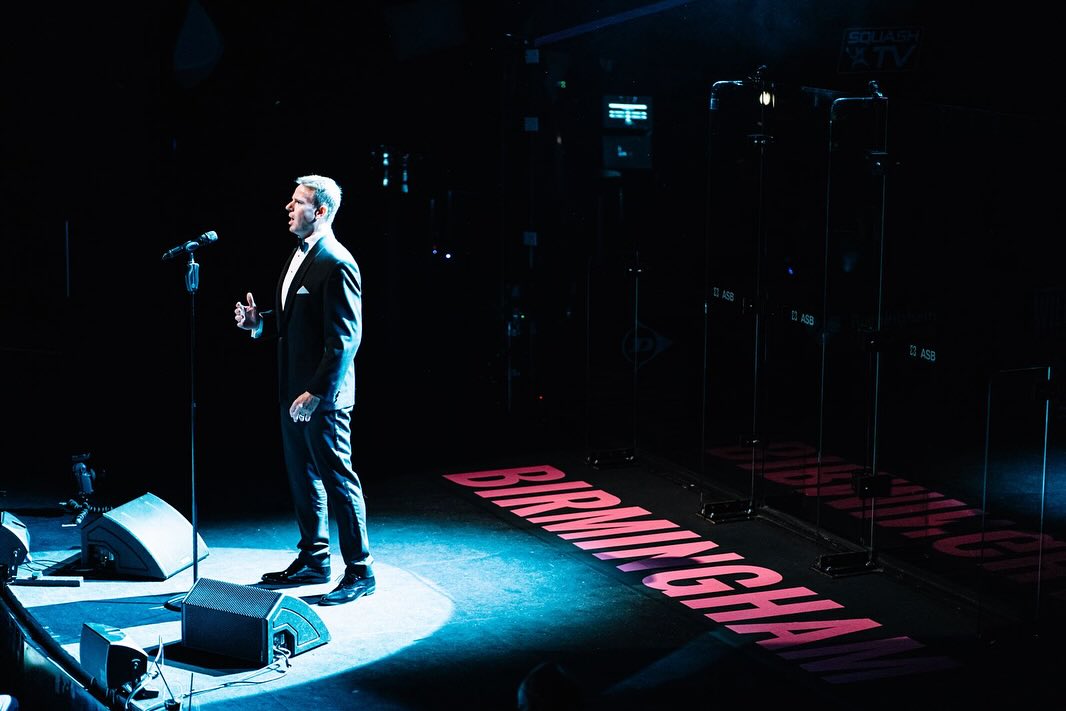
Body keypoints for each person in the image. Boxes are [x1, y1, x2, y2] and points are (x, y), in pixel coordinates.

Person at [234, 174, 374, 606]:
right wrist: (259, 323)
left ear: (321, 211)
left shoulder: (338, 261)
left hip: (322, 399)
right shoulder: (299, 256)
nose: (289, 208)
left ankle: (360, 571)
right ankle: (314, 559)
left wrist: (316, 392)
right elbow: (298, 317)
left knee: (337, 480)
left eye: (298, 202)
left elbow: (345, 340)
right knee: (303, 479)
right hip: (291, 393)